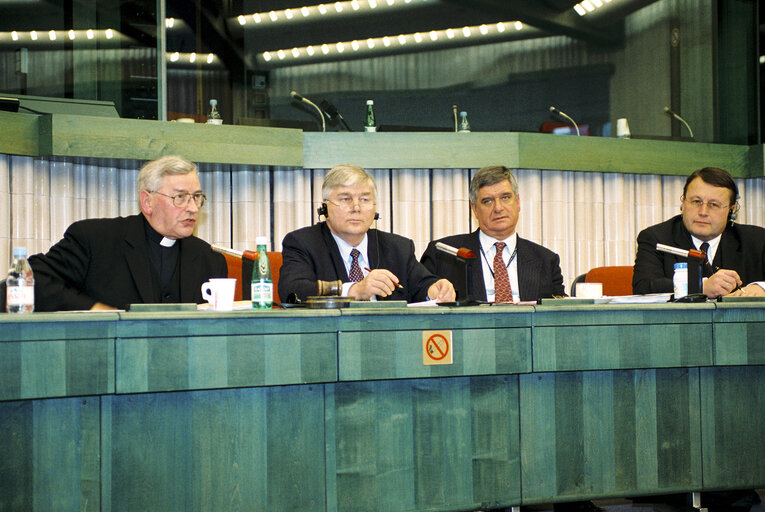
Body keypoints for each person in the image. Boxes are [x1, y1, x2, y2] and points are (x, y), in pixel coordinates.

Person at [9, 155, 227, 311]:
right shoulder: (95, 240)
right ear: (147, 201)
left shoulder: (209, 258)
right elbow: (28, 281)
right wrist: (94, 310)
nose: (193, 207)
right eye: (180, 197)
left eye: (197, 196)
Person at [278, 164, 455, 303]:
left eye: (364, 199)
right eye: (345, 199)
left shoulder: (397, 248)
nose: (356, 208)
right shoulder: (303, 243)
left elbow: (422, 285)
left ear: (374, 208)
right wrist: (354, 290)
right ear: (325, 206)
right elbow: (293, 290)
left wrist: (435, 289)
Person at [420, 165, 565, 303]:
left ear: (518, 202)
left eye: (505, 197)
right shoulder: (443, 255)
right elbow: (420, 304)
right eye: (487, 201)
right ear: (475, 209)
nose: (498, 208)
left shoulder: (546, 260)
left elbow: (560, 314)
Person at [633, 166, 765, 298]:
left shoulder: (757, 240)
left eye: (714, 204)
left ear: (731, 210)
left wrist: (761, 288)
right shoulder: (656, 238)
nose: (703, 212)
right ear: (683, 203)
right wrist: (700, 287)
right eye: (696, 202)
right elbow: (643, 287)